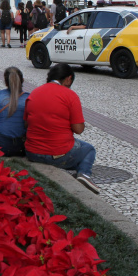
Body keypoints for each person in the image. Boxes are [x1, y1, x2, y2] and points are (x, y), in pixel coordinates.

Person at [24, 64, 99, 194]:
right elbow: (78, 129)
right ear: (68, 79)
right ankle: (84, 175)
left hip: (32, 152)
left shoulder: (34, 93)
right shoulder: (69, 95)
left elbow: (26, 123)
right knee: (88, 150)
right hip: (57, 153)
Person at [0, 67, 28, 157]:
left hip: (1, 146)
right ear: (22, 80)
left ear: (6, 82)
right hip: (21, 146)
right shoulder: (29, 98)